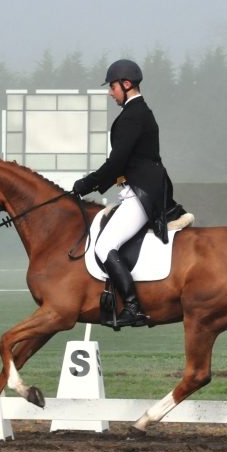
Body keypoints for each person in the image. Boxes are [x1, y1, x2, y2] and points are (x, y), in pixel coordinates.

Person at [72, 59, 184, 329]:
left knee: (104, 245)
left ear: (126, 84)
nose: (111, 93)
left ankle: (132, 306)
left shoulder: (135, 114)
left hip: (143, 192)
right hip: (135, 189)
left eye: (112, 87)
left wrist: (86, 184)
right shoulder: (135, 113)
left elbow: (118, 161)